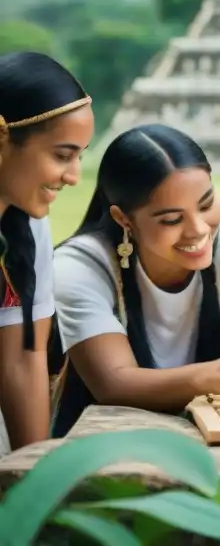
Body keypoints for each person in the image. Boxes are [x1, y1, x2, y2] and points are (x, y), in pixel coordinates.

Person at [50, 124, 220, 438]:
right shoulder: (81, 264)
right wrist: (204, 377)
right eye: (172, 219)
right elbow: (112, 383)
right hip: (104, 447)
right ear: (124, 219)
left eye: (206, 204)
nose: (198, 230)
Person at [0, 52, 94, 453]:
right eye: (61, 155)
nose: (73, 177)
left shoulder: (28, 228)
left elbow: (22, 362)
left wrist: (31, 484)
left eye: (79, 157)